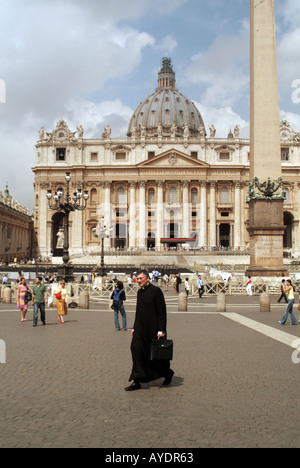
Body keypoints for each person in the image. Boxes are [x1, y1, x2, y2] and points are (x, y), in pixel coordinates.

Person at [125, 270, 174, 391]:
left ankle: (167, 373)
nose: (139, 281)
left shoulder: (156, 291)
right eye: (137, 279)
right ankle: (137, 380)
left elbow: (162, 312)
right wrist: (134, 327)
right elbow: (138, 312)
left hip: (153, 328)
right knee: (135, 350)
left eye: (141, 278)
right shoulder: (139, 293)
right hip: (140, 328)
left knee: (154, 355)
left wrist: (161, 329)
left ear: (147, 278)